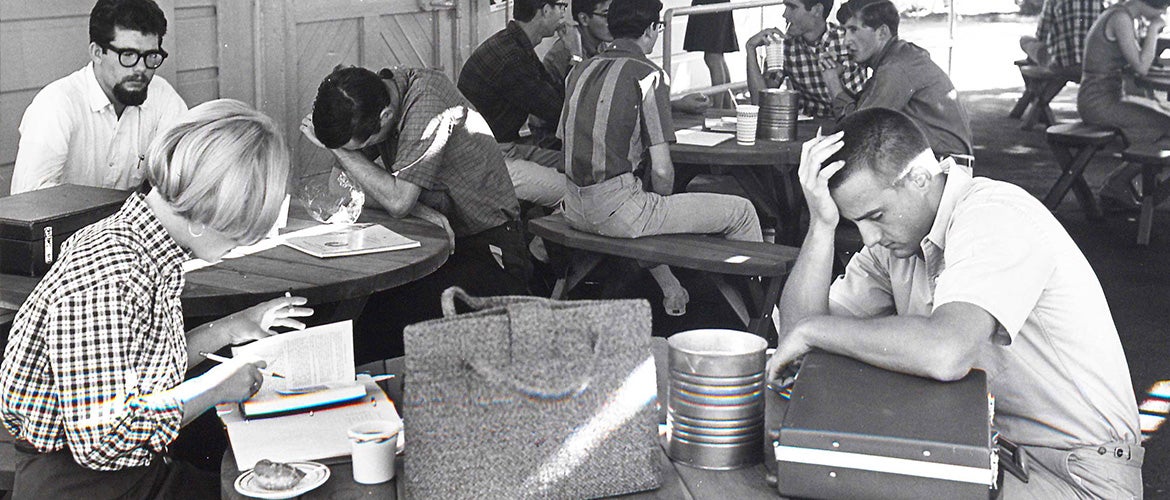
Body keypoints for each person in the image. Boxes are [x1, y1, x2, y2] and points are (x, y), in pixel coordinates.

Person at [767, 107, 1143, 498]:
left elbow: (945, 351)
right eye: (855, 221)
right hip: (983, 447)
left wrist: (817, 330)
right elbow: (798, 338)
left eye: (875, 216)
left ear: (918, 177)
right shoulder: (894, 241)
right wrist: (822, 225)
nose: (868, 237)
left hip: (1076, 472)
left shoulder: (994, 216)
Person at [0, 99, 312, 498]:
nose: (239, 247)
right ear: (205, 215)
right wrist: (217, 386)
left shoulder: (149, 244)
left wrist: (235, 327)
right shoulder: (110, 274)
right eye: (238, 233)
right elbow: (104, 440)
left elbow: (140, 366)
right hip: (80, 483)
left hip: (128, 470)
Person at [303, 66, 529, 361]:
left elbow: (397, 202)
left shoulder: (427, 105)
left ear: (385, 117)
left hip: (491, 250)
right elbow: (340, 184)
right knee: (348, 313)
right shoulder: (369, 97)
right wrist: (422, 211)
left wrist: (343, 153)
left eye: (363, 147)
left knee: (373, 327)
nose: (354, 152)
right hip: (444, 243)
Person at [560, 0, 763, 316]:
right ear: (652, 29)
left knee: (649, 204)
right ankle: (760, 312)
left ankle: (672, 289)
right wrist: (660, 206)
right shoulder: (648, 74)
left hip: (572, 206)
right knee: (742, 212)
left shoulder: (579, 70)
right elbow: (665, 174)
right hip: (617, 213)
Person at [11, 0, 188, 195]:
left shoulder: (162, 96)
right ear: (97, 53)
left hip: (130, 223)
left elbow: (184, 175)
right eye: (128, 54)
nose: (141, 69)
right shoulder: (56, 105)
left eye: (151, 55)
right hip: (69, 225)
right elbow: (29, 200)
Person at [458, 0, 574, 208]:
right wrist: (574, 54)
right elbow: (559, 112)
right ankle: (537, 237)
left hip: (501, 149)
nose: (564, 13)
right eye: (562, 6)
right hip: (486, 162)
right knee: (575, 193)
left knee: (577, 169)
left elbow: (553, 94)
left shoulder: (514, 44)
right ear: (546, 10)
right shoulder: (511, 57)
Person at [830, 0, 973, 159]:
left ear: (882, 32)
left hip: (943, 168)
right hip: (932, 162)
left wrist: (833, 84)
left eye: (853, 30)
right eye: (844, 31)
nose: (846, 41)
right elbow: (861, 112)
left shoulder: (896, 67)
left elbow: (856, 132)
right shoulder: (898, 57)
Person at [1078, 0, 1170, 210]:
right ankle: (1116, 184)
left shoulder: (1122, 14)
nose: (1163, 12)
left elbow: (1135, 64)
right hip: (1098, 102)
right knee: (1165, 125)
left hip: (1105, 97)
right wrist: (1155, 29)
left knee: (1163, 121)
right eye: (1162, 7)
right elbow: (1141, 67)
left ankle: (1119, 184)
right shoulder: (1120, 19)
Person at [744, 0, 867, 117]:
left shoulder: (847, 42)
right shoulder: (785, 46)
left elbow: (859, 106)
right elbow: (760, 101)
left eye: (792, 7)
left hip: (852, 122)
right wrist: (750, 49)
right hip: (809, 127)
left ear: (817, 10)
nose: (784, 14)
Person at [1020, 0, 1103, 69]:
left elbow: (1041, 35)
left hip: (1060, 65)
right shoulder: (1098, 2)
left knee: (1024, 40)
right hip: (1090, 63)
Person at [683, 0, 736, 108]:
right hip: (715, 5)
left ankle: (719, 108)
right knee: (717, 56)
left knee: (713, 57)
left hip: (711, 4)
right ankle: (726, 105)